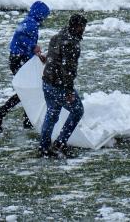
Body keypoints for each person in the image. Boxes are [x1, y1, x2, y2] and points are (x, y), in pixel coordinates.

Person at [0, 1, 50, 133]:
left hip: (19, 59)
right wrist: (33, 47)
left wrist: (36, 53)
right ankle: (1, 115)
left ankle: (24, 120)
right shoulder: (31, 23)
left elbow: (23, 40)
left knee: (29, 90)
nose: (45, 18)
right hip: (19, 60)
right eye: (44, 15)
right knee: (27, 91)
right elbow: (22, 38)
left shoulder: (30, 21)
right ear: (40, 14)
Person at [35, 13, 87, 159]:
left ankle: (44, 148)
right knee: (77, 110)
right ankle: (60, 143)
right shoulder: (72, 44)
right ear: (78, 26)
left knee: (51, 115)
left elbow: (53, 58)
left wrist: (45, 59)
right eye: (82, 26)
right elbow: (68, 70)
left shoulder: (57, 36)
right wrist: (69, 91)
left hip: (47, 82)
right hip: (59, 85)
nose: (83, 29)